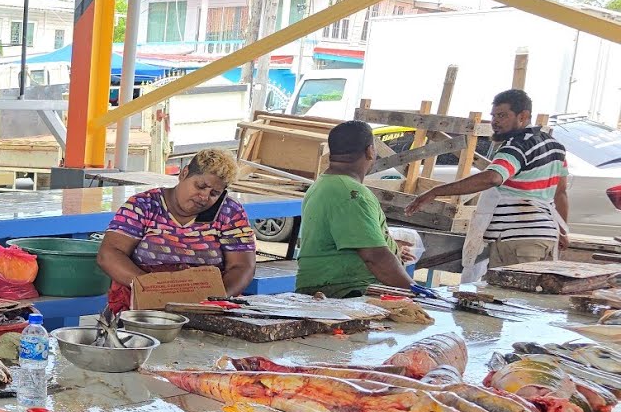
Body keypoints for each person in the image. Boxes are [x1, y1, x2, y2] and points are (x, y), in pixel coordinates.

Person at [406, 89, 569, 280]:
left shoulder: (517, 146)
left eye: (502, 115)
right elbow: (561, 193)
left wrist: (435, 192)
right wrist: (562, 231)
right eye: (493, 116)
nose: (495, 122)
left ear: (523, 116)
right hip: (546, 236)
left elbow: (493, 177)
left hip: (516, 239)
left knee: (508, 295)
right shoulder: (555, 146)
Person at [97, 148, 257, 312]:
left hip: (206, 306)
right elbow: (109, 254)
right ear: (184, 173)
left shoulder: (229, 212)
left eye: (214, 193)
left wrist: (216, 299)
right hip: (144, 305)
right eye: (200, 186)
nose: (204, 197)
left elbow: (242, 266)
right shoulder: (144, 205)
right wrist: (154, 287)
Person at [296, 120, 414, 298]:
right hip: (345, 292)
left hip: (328, 288)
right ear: (370, 151)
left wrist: (393, 249)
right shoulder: (352, 194)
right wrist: (417, 293)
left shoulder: (324, 184)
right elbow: (375, 258)